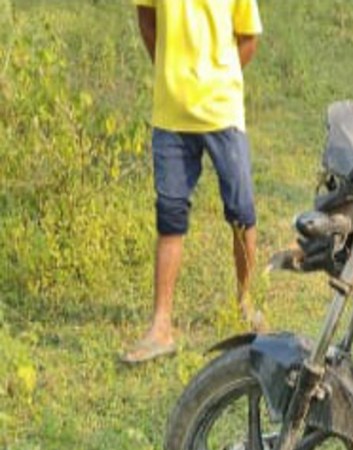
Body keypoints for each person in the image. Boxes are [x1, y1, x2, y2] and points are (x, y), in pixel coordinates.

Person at [122, 0, 264, 364]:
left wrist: (216, 80)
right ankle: (161, 326)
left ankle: (246, 302)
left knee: (241, 213)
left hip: (222, 111)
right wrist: (172, 76)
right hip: (171, 113)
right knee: (170, 215)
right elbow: (146, 17)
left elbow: (248, 39)